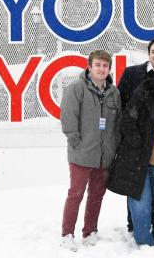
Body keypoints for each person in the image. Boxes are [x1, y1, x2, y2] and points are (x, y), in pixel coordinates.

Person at [107, 67, 154, 246]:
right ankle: (143, 240)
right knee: (141, 203)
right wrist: (137, 143)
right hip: (138, 159)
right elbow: (127, 119)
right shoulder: (145, 92)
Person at [60, 50, 121, 251]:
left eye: (105, 66)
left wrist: (114, 145)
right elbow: (69, 116)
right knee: (76, 194)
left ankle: (90, 231)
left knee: (96, 195)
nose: (101, 69)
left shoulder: (114, 92)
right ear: (89, 67)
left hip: (105, 155)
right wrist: (75, 140)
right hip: (82, 153)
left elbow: (117, 123)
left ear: (109, 68)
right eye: (98, 65)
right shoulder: (77, 88)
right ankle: (68, 233)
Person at [116, 38, 154, 234]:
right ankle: (135, 225)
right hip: (136, 144)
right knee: (137, 187)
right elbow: (121, 104)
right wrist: (131, 136)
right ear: (149, 54)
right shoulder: (133, 73)